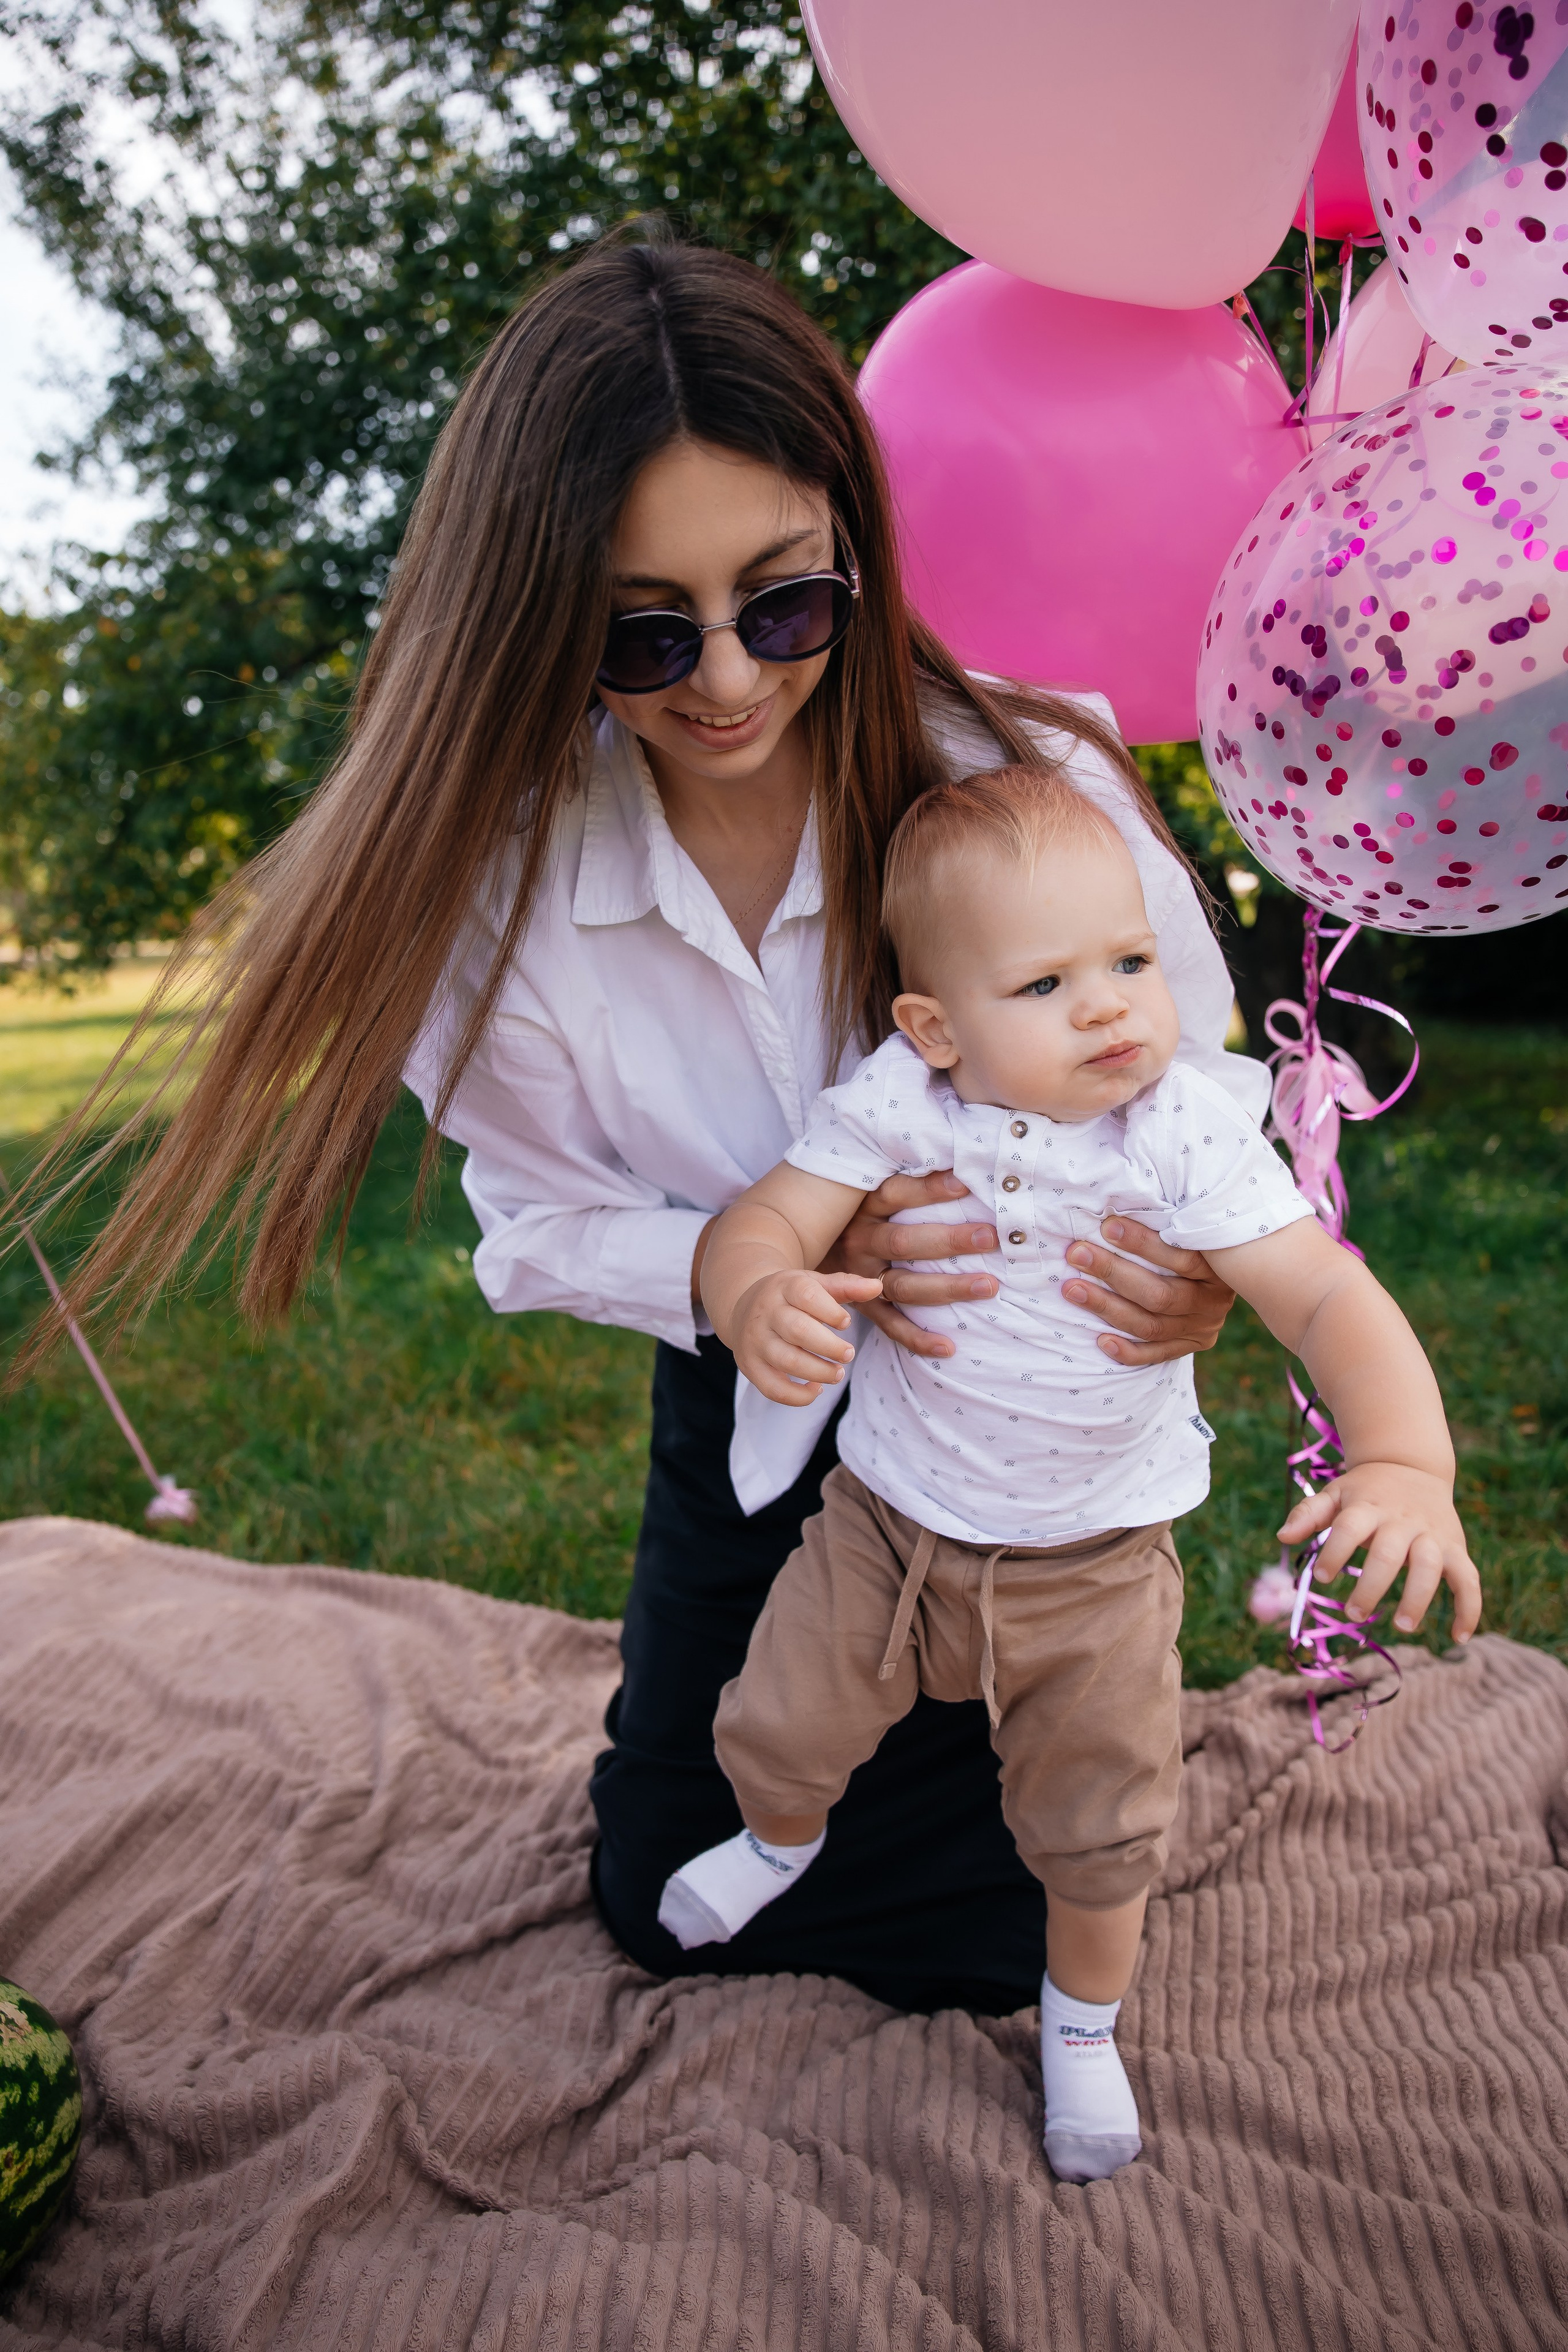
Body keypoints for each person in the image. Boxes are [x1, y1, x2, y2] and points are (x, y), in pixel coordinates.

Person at [43, 226, 1260, 2016]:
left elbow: (1207, 1078)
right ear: (538, 617)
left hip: (1038, 1451)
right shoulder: (502, 892)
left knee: (1021, 1926)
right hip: (755, 1427)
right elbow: (533, 1225)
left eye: (785, 602)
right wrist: (737, 1256)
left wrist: (1197, 1278)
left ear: (858, 539)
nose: (727, 679)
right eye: (637, 629)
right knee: (665, 1897)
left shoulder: (1032, 781)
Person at [658, 764, 1481, 2178]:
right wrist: (752, 1294)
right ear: (934, 1027)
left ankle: (1083, 2025)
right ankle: (779, 1844)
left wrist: (1403, 1457)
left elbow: (1324, 1298)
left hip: (1094, 1562)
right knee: (776, 1728)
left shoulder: (1178, 1132)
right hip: (889, 1527)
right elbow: (763, 1223)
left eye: (1128, 961)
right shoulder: (900, 1104)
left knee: (1100, 1829)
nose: (1108, 1005)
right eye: (1044, 984)